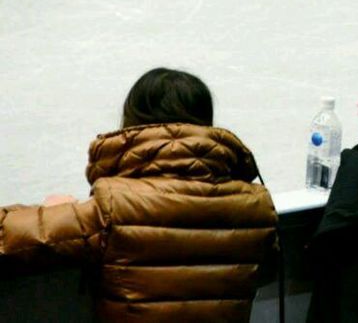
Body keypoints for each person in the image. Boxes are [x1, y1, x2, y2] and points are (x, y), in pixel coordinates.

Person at [0, 67, 278, 322]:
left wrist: (51, 212)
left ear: (131, 122)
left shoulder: (112, 206)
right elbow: (265, 272)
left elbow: (8, 237)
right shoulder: (256, 205)